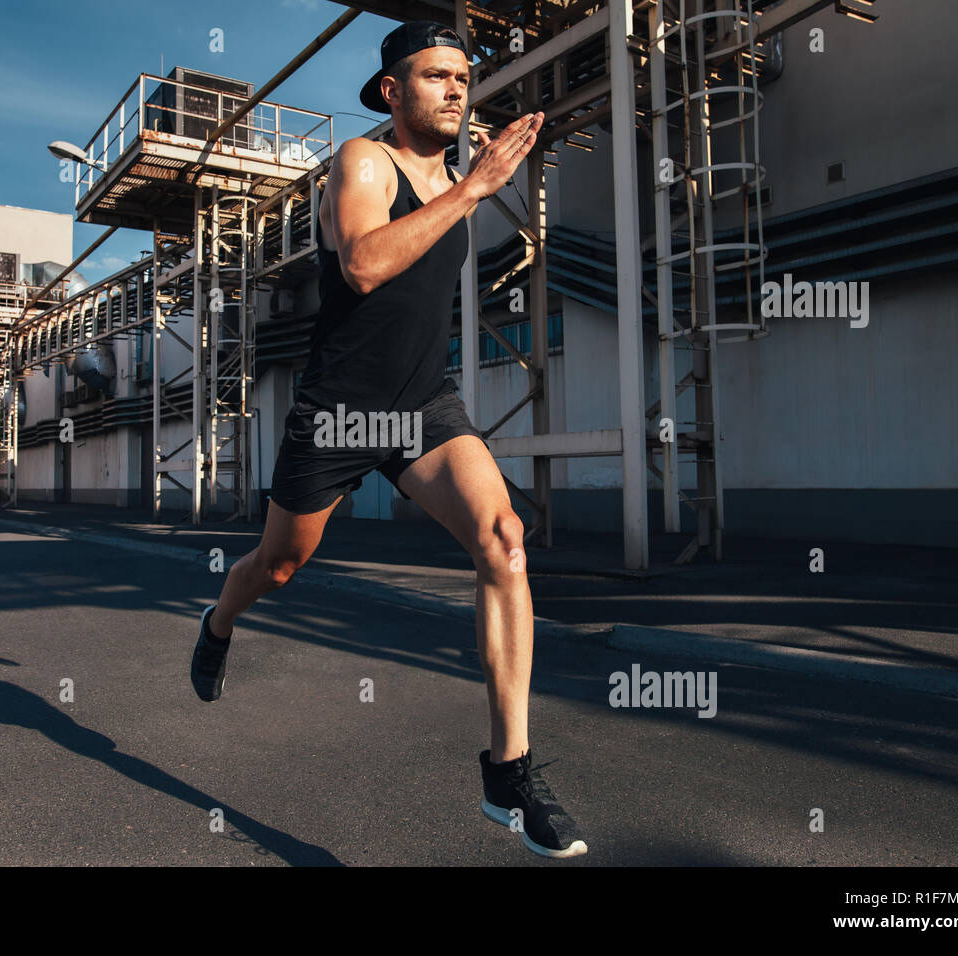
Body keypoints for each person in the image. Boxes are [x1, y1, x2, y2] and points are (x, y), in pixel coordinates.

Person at [191, 20, 586, 859]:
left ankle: (507, 773)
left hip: (422, 406)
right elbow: (366, 264)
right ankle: (221, 620)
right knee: (280, 567)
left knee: (504, 541)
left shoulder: (457, 169)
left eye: (463, 76)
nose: (455, 87)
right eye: (435, 74)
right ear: (389, 92)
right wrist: (473, 187)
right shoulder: (364, 163)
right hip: (339, 411)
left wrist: (470, 177)